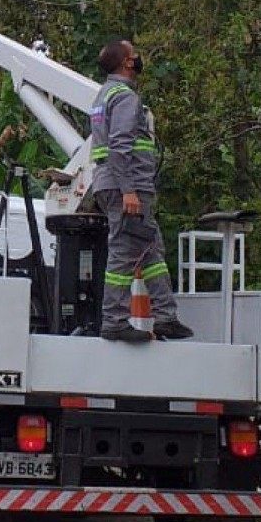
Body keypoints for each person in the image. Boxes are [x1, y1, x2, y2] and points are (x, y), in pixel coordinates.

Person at [90, 39, 193, 343]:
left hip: (114, 184)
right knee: (123, 253)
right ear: (126, 63)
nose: (137, 59)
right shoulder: (125, 98)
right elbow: (121, 146)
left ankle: (165, 317)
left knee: (150, 249)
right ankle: (114, 320)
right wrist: (129, 192)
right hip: (128, 186)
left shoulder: (103, 95)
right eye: (133, 54)